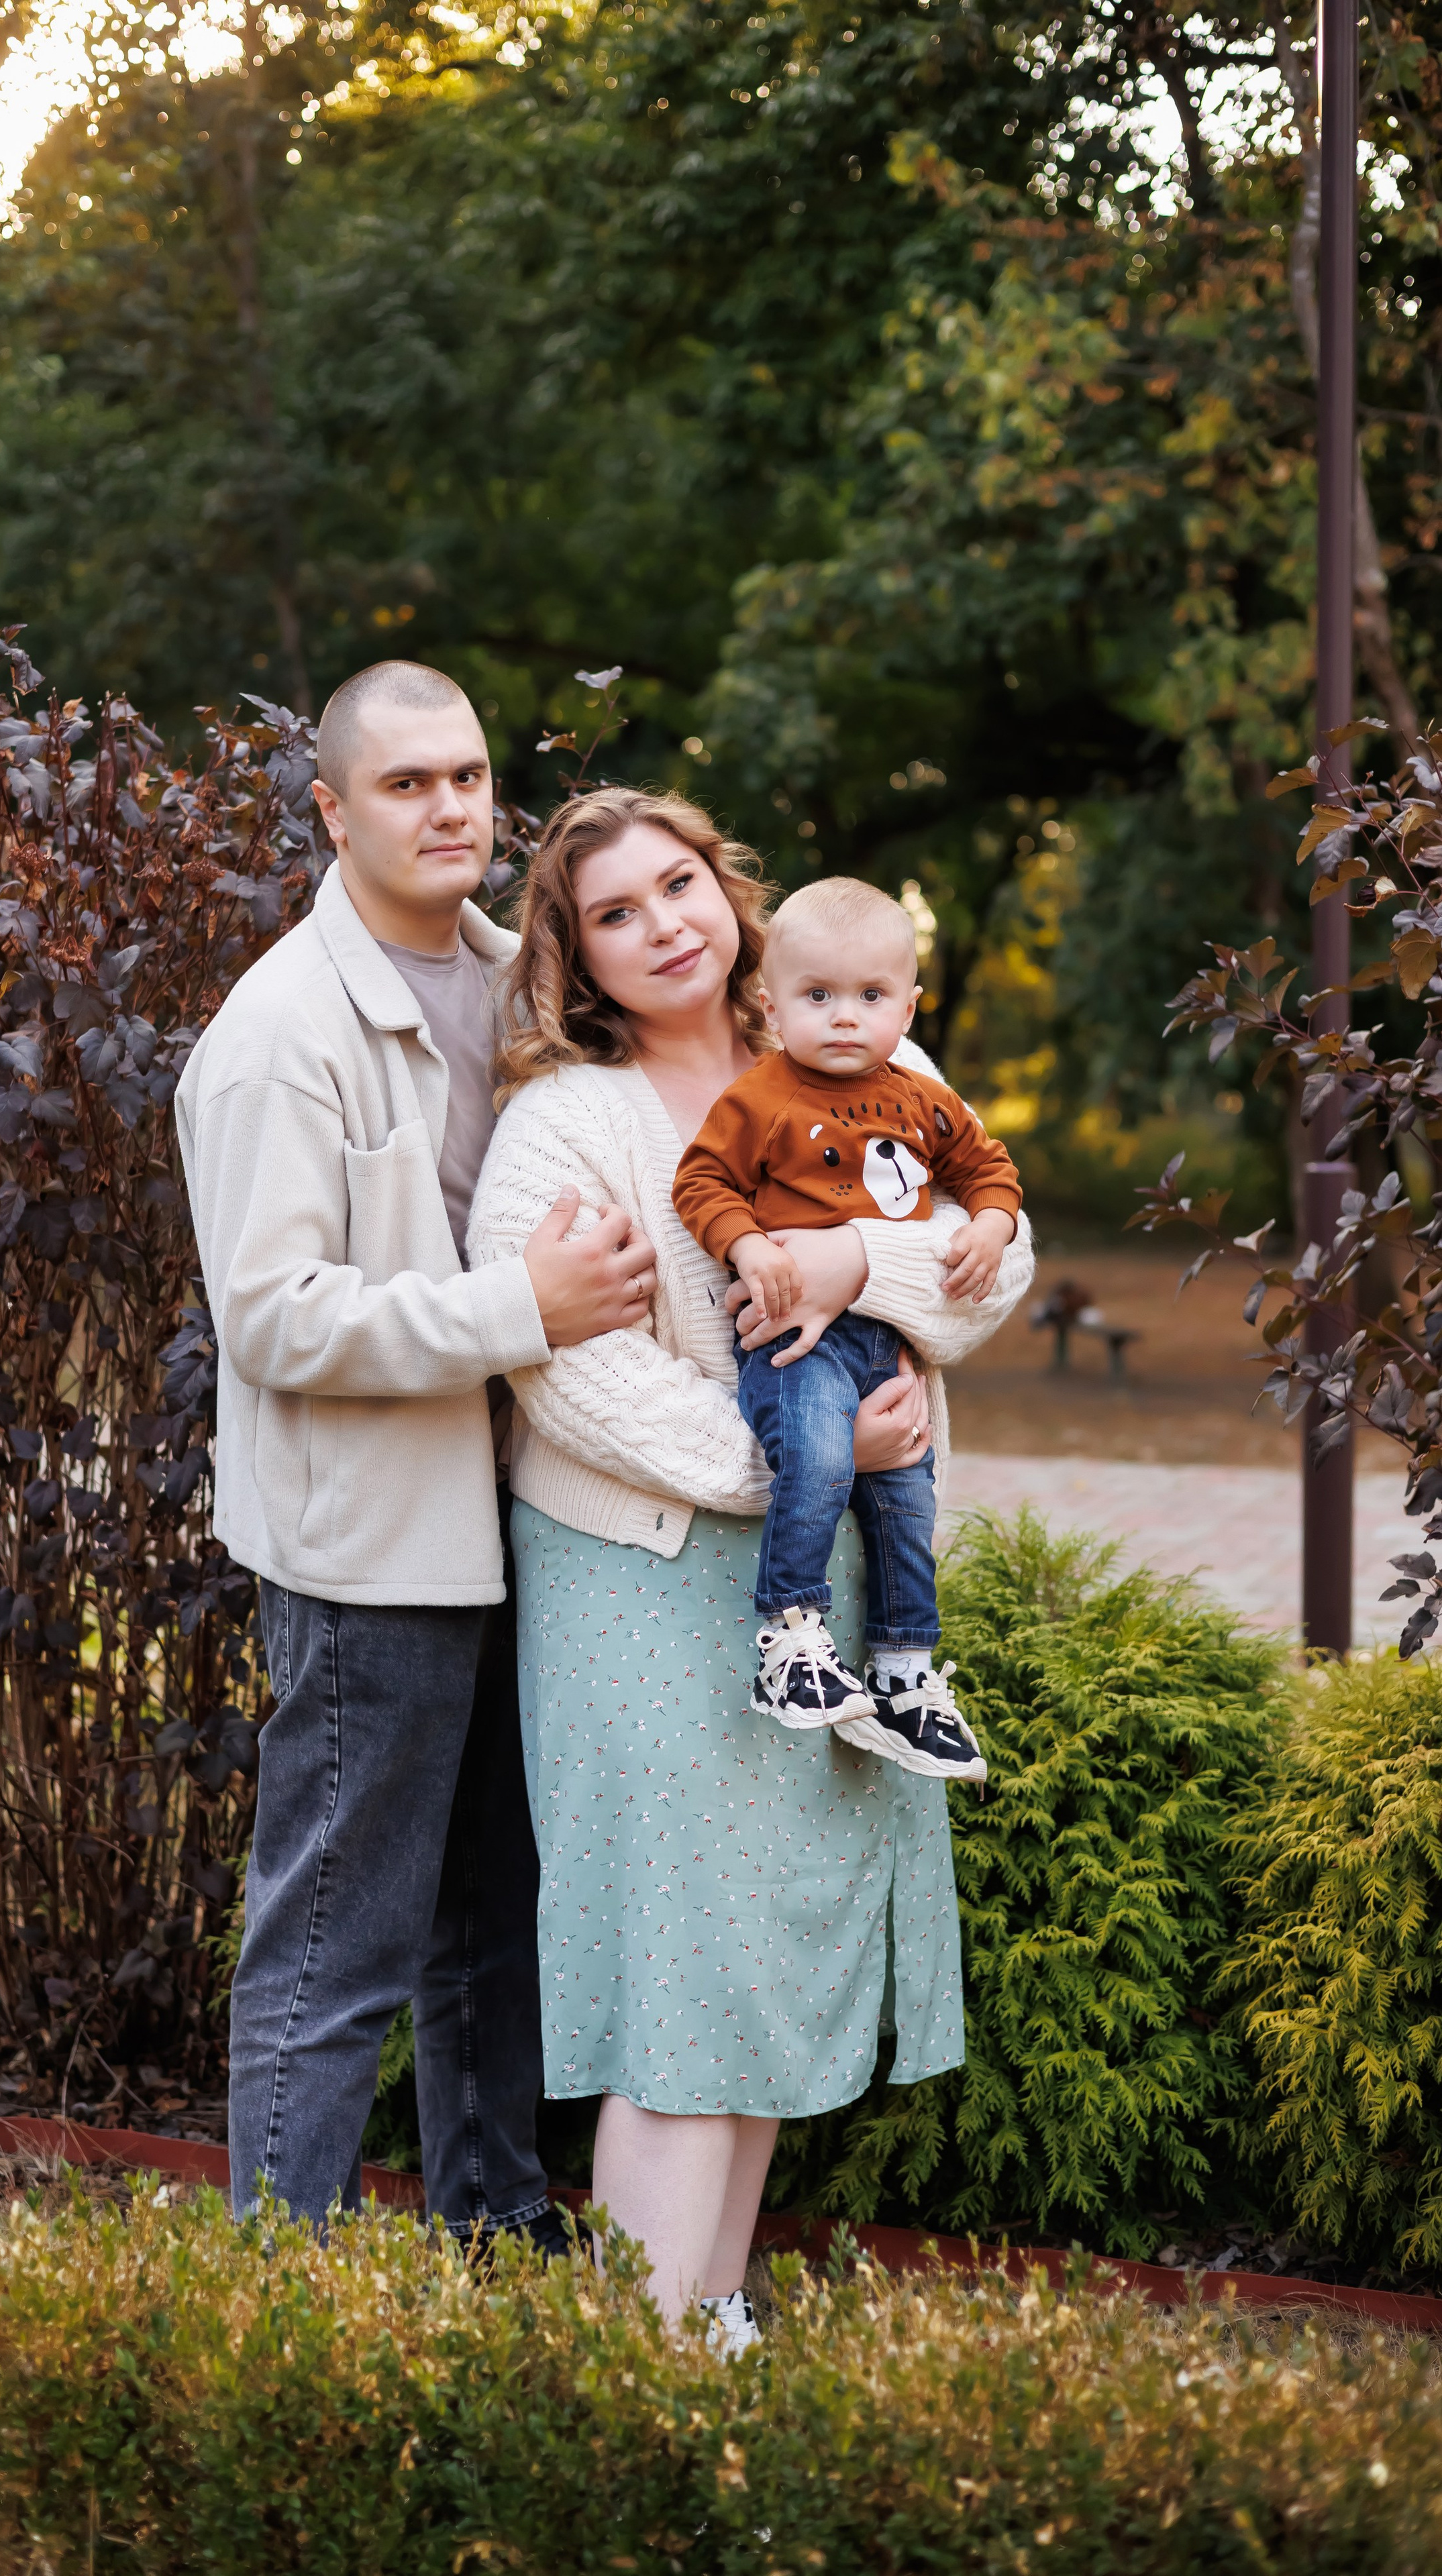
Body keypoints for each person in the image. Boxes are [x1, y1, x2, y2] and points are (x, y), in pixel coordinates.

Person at [466, 786, 1033, 2341]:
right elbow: (565, 1375)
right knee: (682, 1970)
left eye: (677, 885)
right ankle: (640, 2354)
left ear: (727, 895)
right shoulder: (564, 1124)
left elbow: (995, 1264)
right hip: (638, 1577)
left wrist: (851, 1260)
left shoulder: (854, 1047)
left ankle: (707, 2315)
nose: (661, 926)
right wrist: (805, 1458)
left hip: (822, 1584)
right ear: (576, 954)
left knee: (763, 1952)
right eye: (614, 913)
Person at [174, 661, 658, 2240]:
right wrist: (520, 1309)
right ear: (331, 810)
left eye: (466, 776)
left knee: (494, 1926)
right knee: (336, 1942)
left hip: (528, 1523)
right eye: (405, 784)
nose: (449, 808)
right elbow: (272, 1318)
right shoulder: (278, 1033)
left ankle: (493, 2233)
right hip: (371, 1553)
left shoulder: (528, 986)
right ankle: (277, 2282)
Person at [672, 876, 1021, 1775]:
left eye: (870, 996)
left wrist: (990, 1225)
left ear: (908, 1007)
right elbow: (701, 1182)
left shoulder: (924, 1099)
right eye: (817, 995)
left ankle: (905, 1673)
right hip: (798, 1346)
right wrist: (747, 1245)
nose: (843, 1017)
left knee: (909, 1503)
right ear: (772, 1005)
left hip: (886, 1344)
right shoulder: (760, 1098)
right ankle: (790, 1638)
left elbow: (989, 1169)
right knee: (821, 1460)